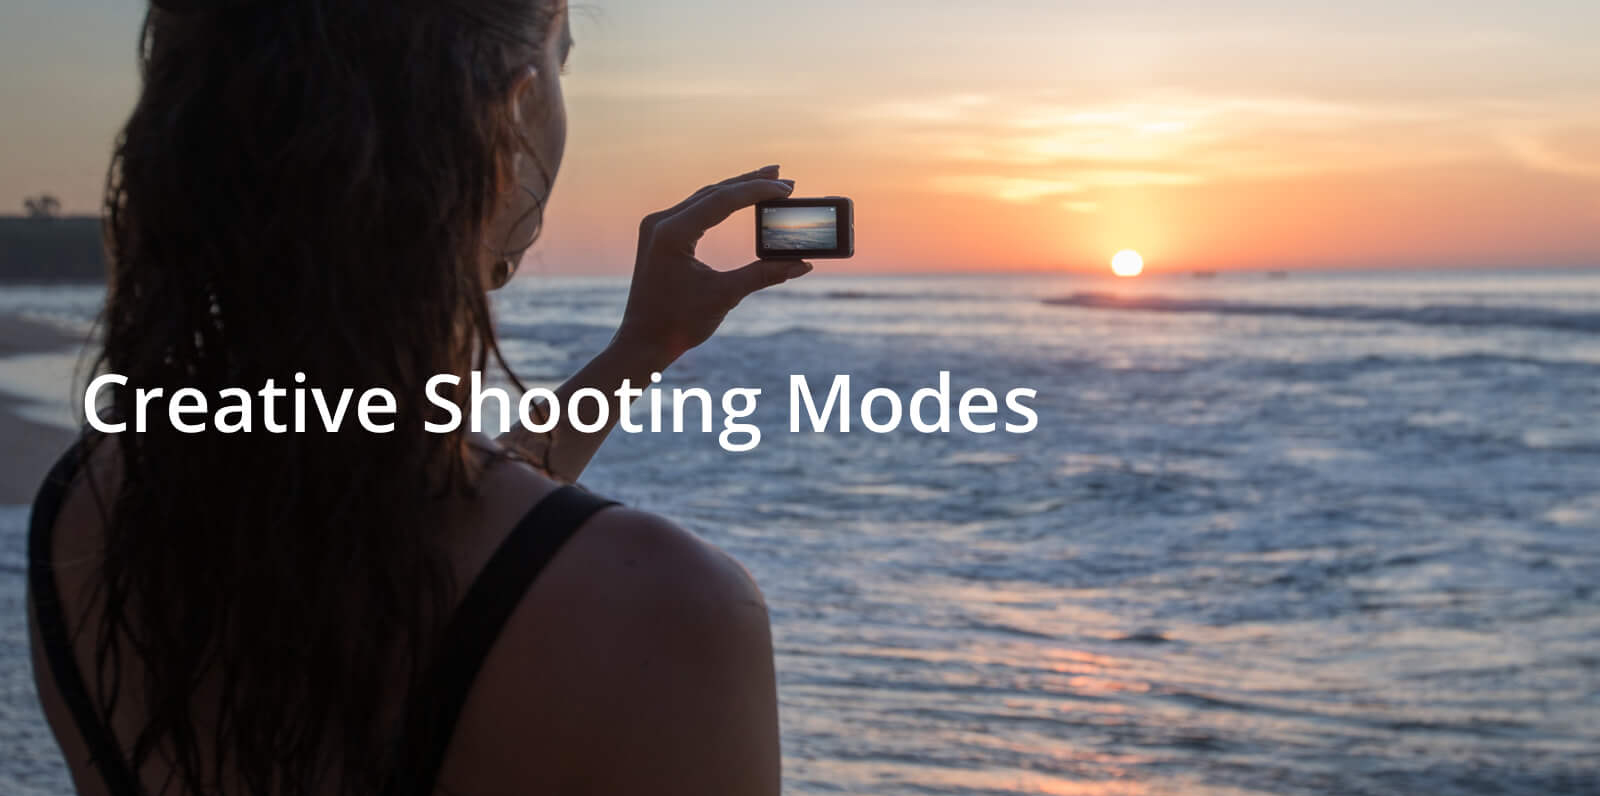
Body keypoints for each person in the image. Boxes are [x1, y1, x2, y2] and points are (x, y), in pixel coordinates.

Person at [27, 1, 811, 794]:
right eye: (562, 65)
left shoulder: (85, 516)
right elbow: (473, 548)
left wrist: (639, 352)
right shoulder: (669, 611)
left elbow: (415, 520)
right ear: (514, 111)